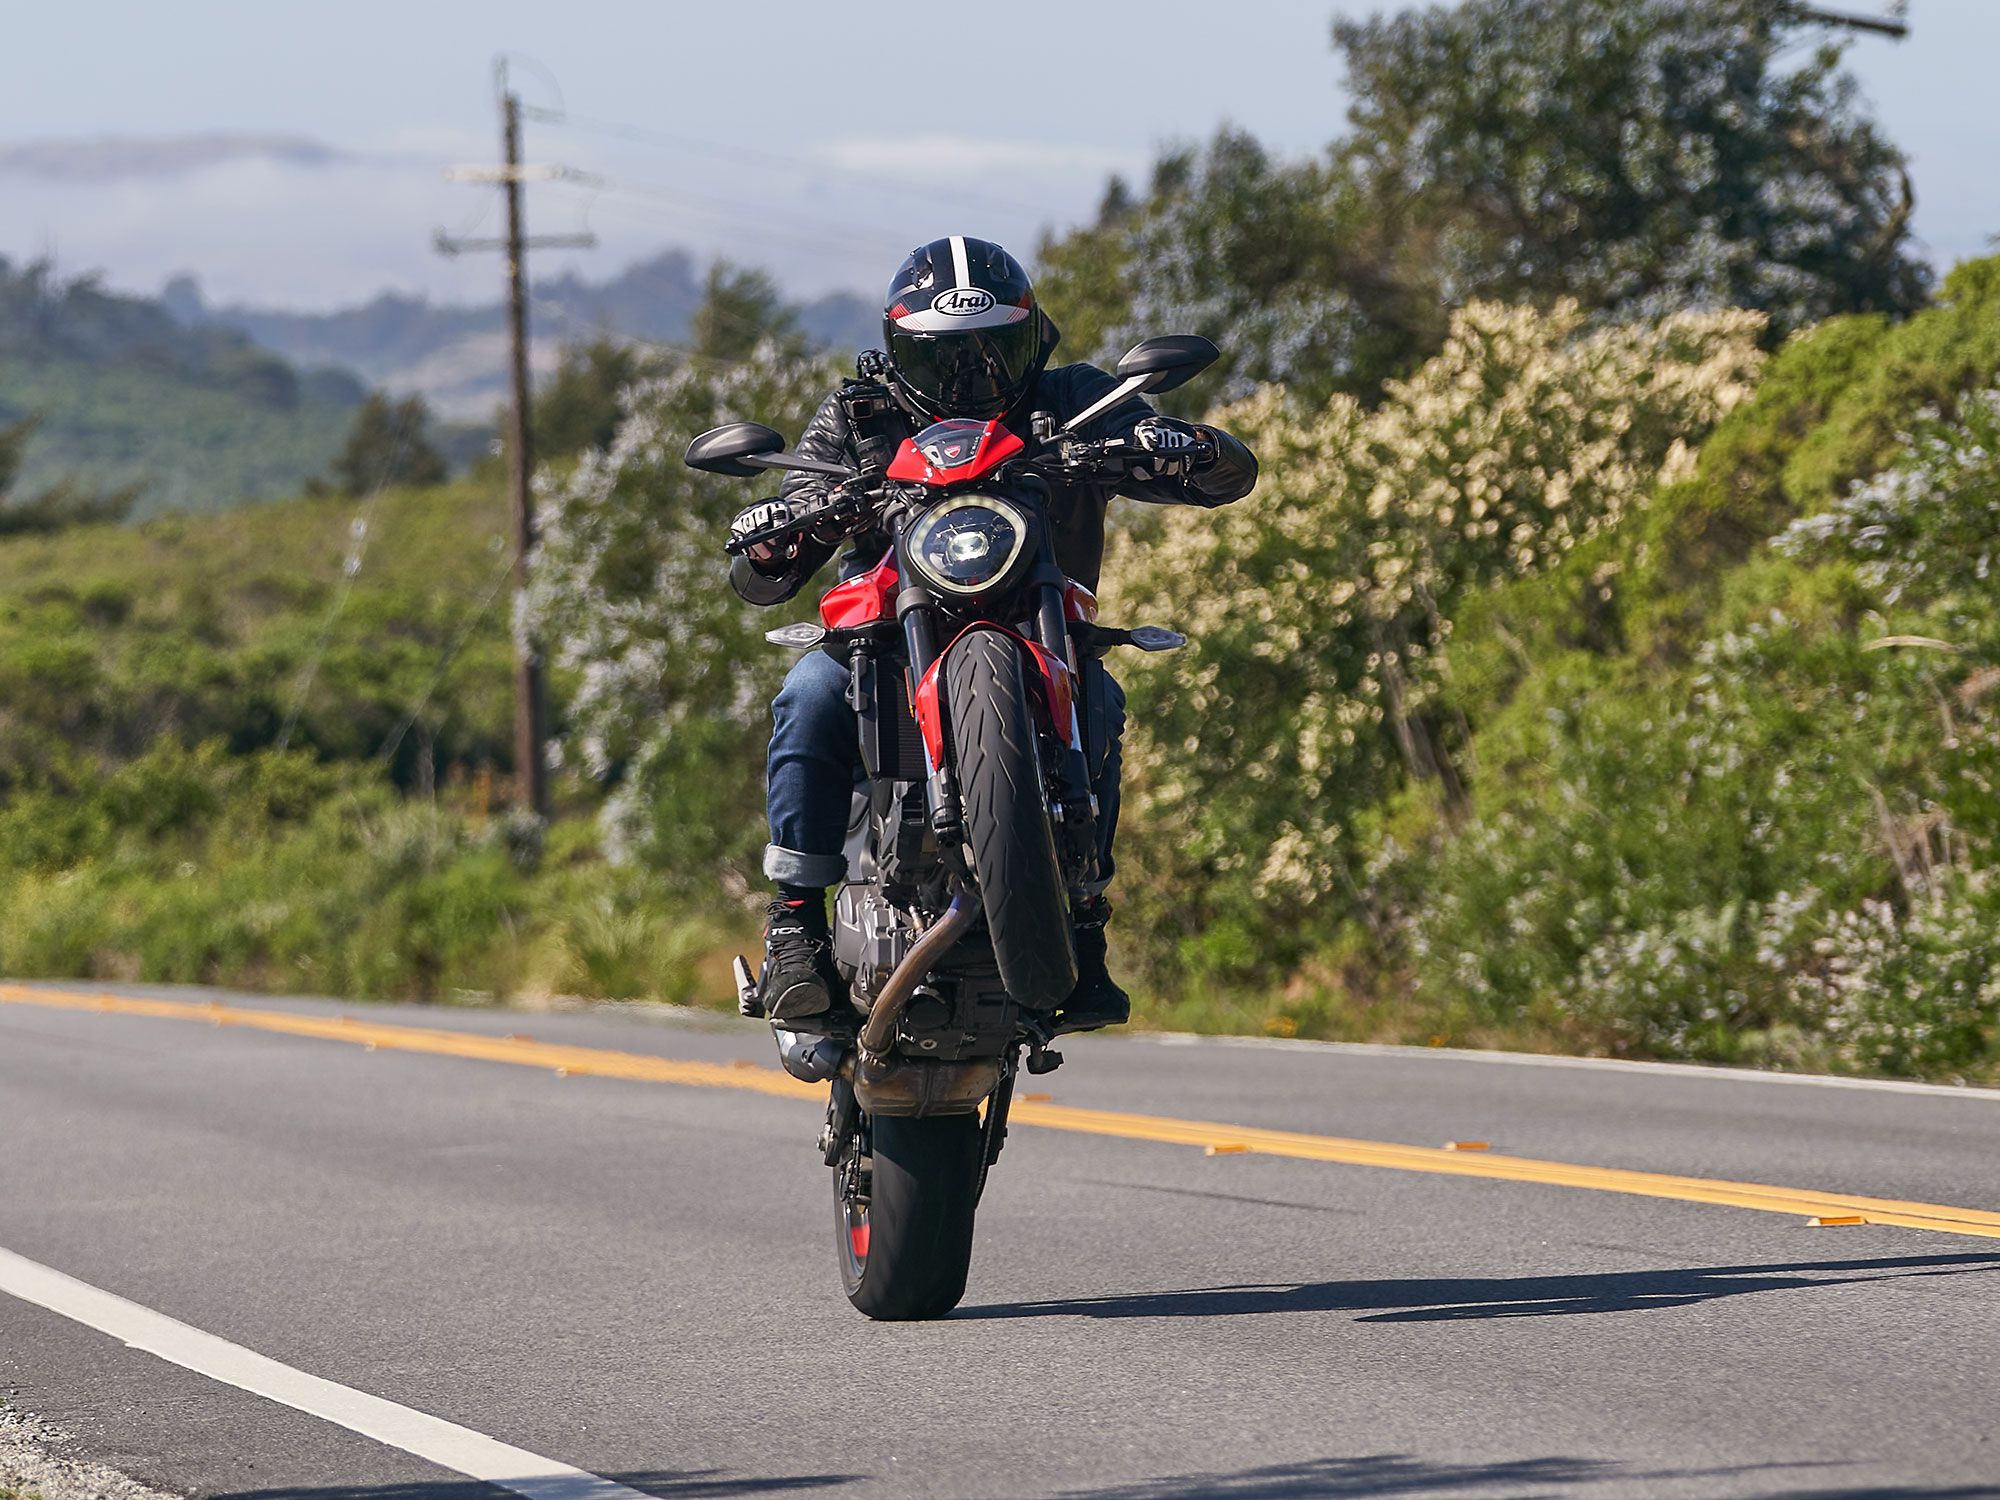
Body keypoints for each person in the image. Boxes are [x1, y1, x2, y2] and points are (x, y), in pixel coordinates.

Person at [729, 235, 1257, 1035]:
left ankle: (1083, 917)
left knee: (1101, 700)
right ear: (901, 352)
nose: (971, 379)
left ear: (1032, 339)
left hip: (1037, 627)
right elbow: (768, 569)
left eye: (993, 353)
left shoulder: (1077, 400)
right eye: (946, 360)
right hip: (883, 637)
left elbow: (1225, 477)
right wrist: (777, 530)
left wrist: (1184, 444)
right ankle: (794, 926)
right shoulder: (858, 417)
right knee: (808, 692)